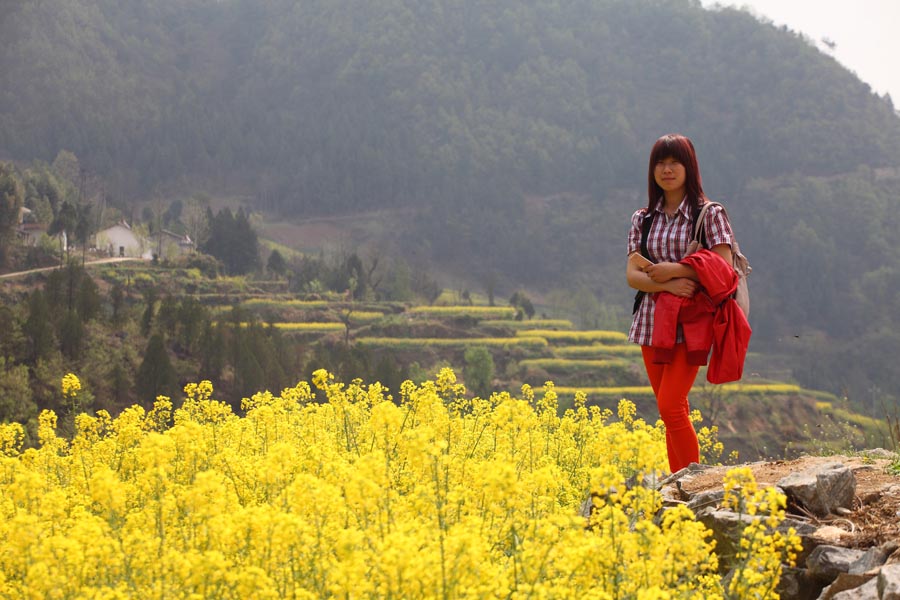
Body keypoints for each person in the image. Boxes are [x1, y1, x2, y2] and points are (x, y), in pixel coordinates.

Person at [626, 133, 735, 473]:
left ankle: (690, 483)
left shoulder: (708, 214)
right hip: (650, 322)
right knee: (672, 408)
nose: (667, 169)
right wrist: (673, 282)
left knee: (670, 406)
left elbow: (723, 269)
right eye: (660, 162)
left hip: (691, 322)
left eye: (674, 162)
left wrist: (673, 269)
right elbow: (632, 274)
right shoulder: (643, 219)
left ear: (689, 167)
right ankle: (680, 484)